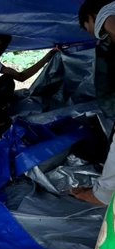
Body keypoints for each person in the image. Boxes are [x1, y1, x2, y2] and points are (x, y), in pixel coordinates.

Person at [73, 0, 115, 205]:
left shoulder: (107, 16)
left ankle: (103, 195)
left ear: (90, 17)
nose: (90, 32)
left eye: (87, 27)